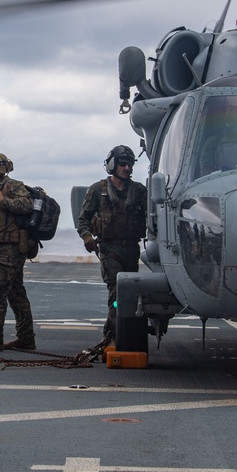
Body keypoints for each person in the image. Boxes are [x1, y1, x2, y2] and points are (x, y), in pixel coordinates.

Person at [77, 145, 148, 345]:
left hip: (131, 250)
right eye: (123, 164)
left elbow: (153, 218)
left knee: (129, 295)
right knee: (117, 293)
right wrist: (87, 237)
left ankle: (109, 334)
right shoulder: (97, 191)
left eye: (130, 164)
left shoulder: (139, 191)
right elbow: (83, 220)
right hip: (110, 249)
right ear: (113, 165)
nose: (127, 168)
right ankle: (118, 338)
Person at [0, 150, 36, 352]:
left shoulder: (11, 187)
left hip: (10, 247)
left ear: (0, 169)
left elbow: (27, 205)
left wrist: (3, 200)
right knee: (15, 292)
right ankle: (26, 337)